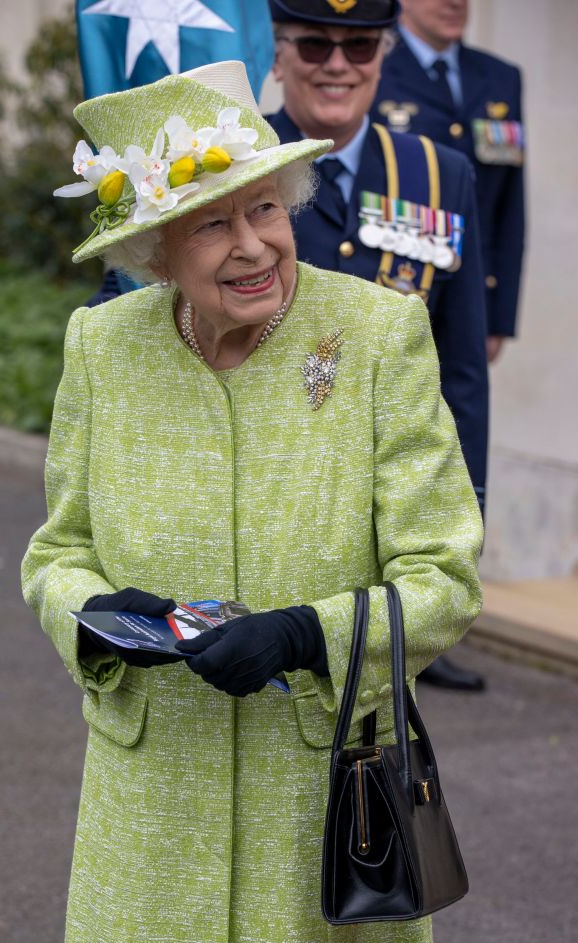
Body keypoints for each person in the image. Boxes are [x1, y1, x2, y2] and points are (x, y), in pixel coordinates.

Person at [21, 59, 483, 943]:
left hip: (321, 798)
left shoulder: (380, 336)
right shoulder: (103, 346)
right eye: (212, 225)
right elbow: (57, 553)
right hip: (151, 802)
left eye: (265, 208)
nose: (253, 246)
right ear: (154, 253)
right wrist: (93, 616)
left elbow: (446, 579)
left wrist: (308, 636)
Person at [267, 0, 487, 692]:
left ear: (383, 56)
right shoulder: (234, 158)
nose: (337, 64)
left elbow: (460, 363)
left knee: (372, 734)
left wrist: (465, 506)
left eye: (359, 47)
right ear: (278, 54)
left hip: (386, 501)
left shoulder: (435, 172)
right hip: (269, 487)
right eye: (314, 45)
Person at [373, 0, 525, 363]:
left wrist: (498, 315)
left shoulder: (501, 77)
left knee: (462, 410)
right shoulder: (372, 65)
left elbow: (509, 204)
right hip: (395, 289)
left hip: (472, 292)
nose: (455, 3)